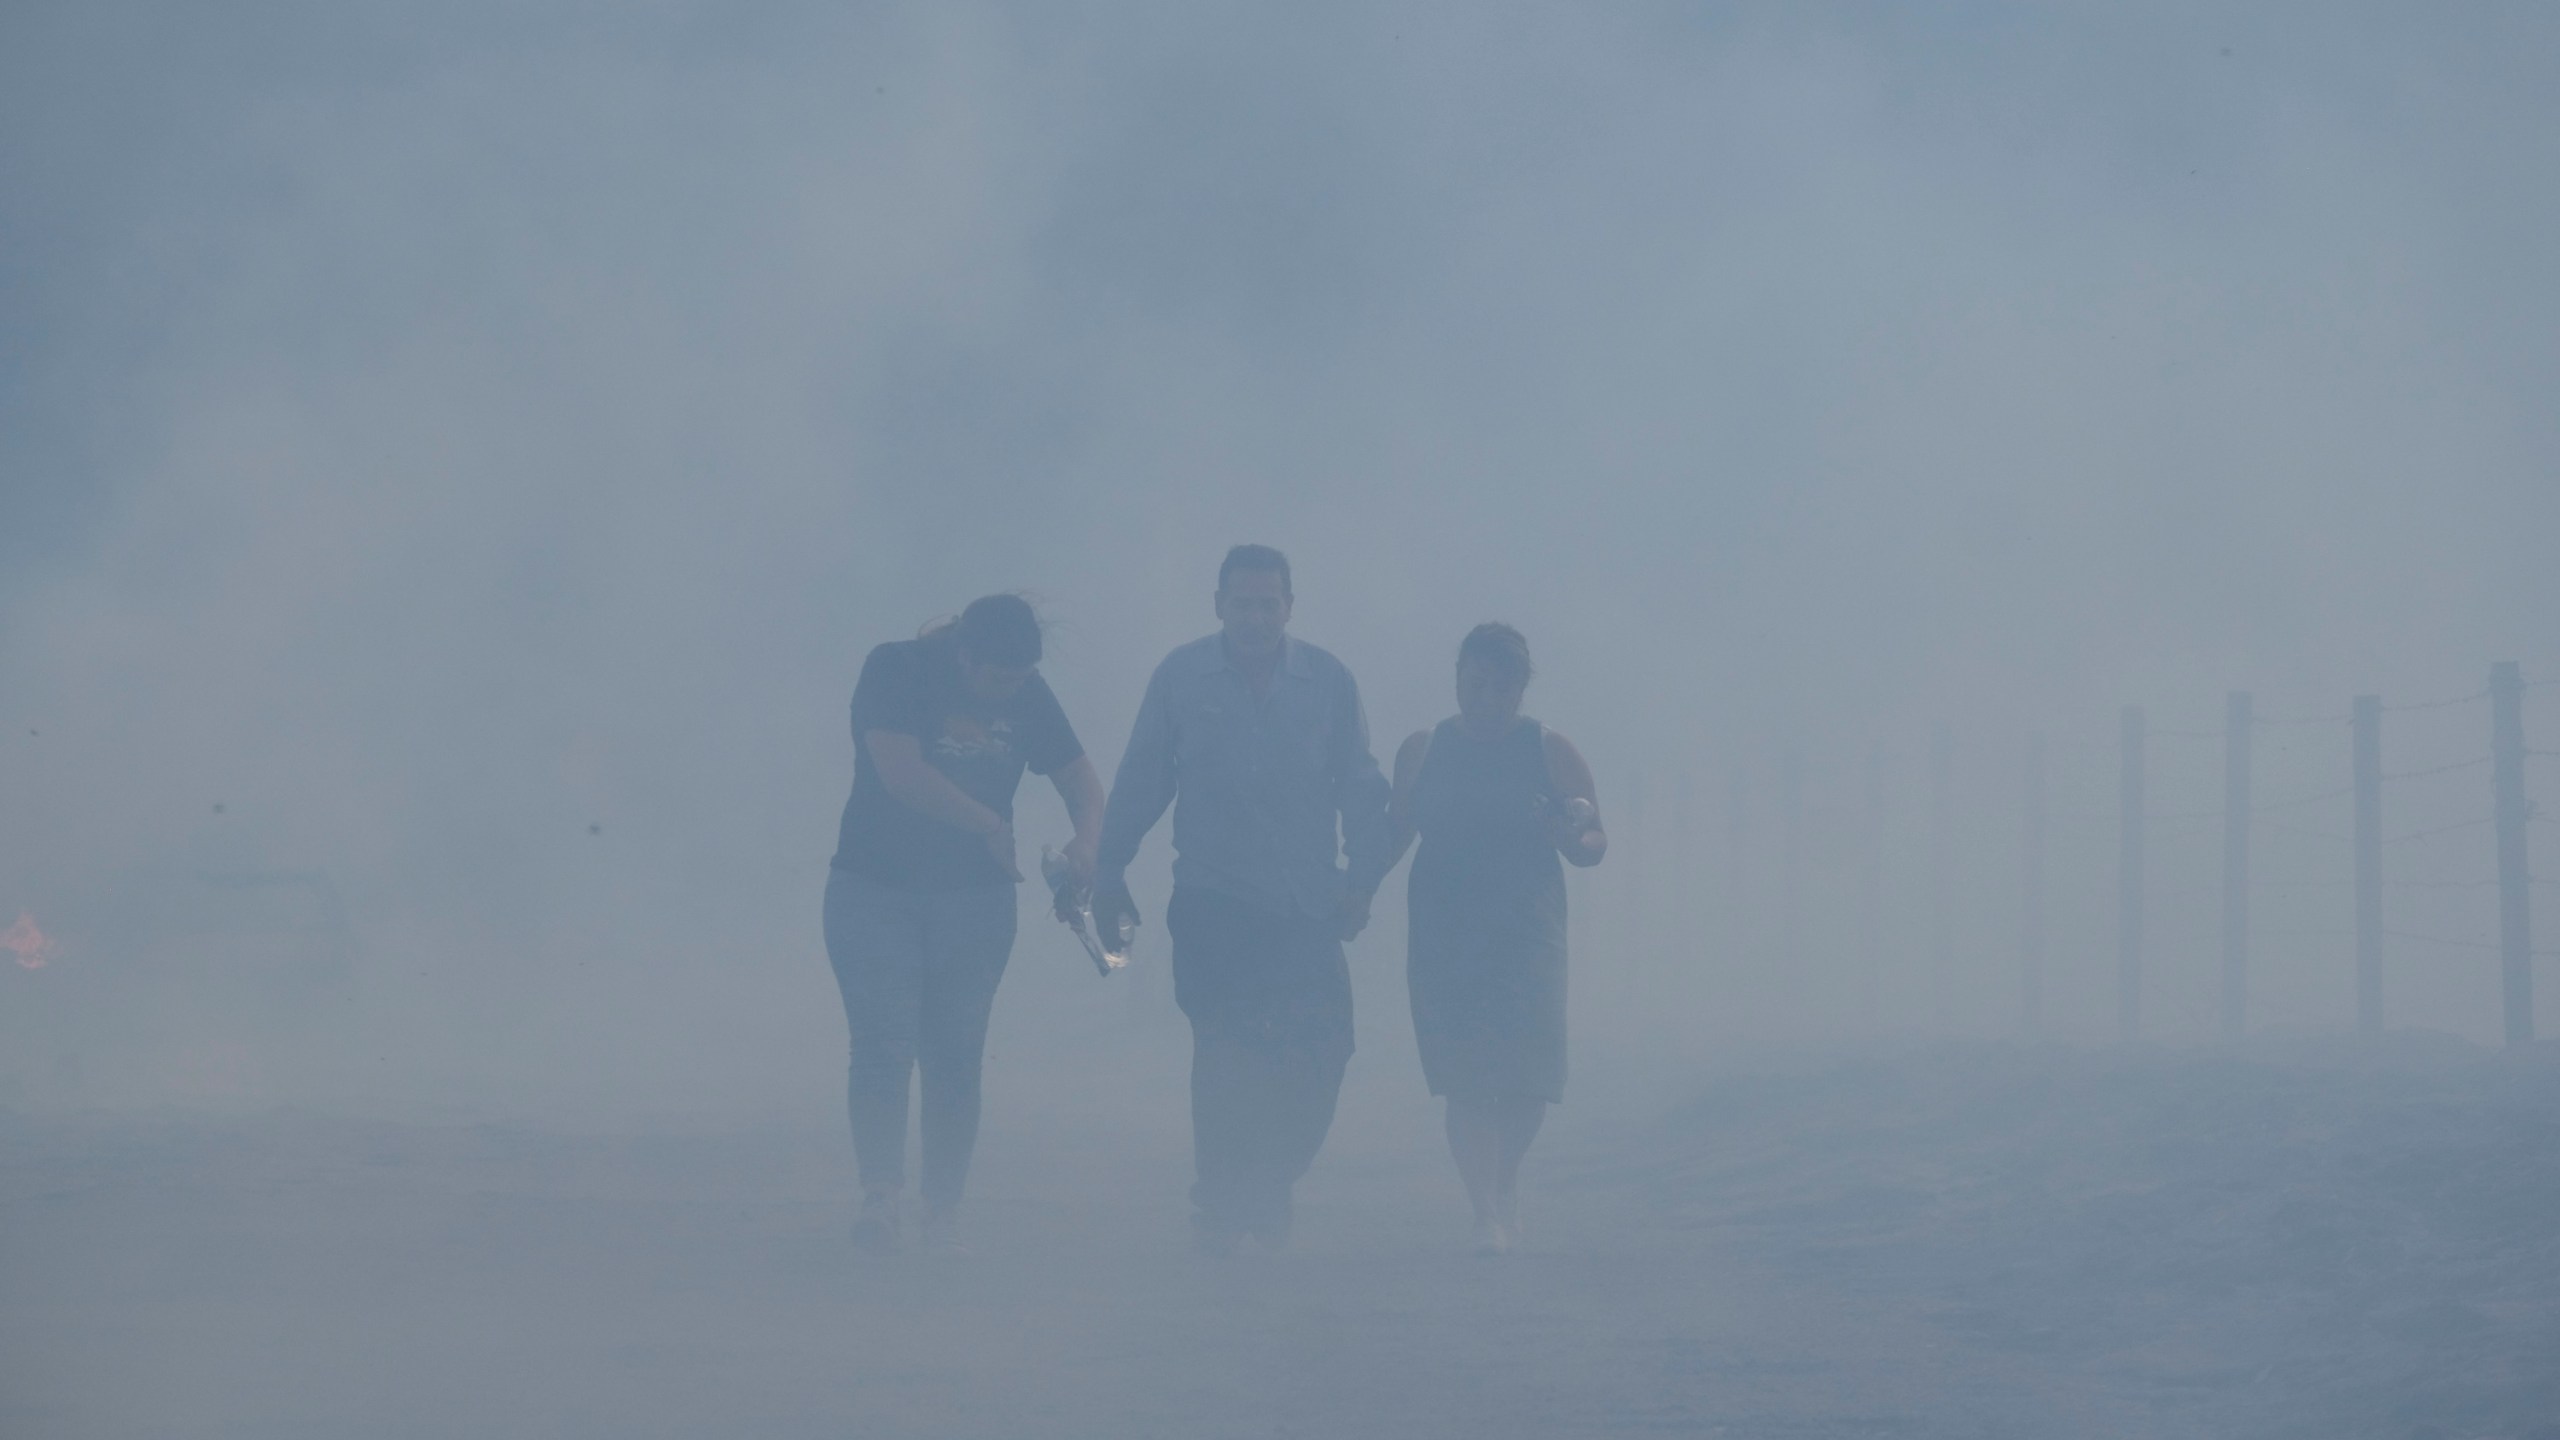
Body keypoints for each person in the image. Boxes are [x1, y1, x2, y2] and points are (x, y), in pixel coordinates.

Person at [1093, 545, 1393, 1254]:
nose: (1255, 617)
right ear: (1219, 605)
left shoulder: (1327, 680)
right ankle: (1225, 1202)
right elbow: (1143, 778)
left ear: (1290, 606)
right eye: (1242, 603)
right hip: (1213, 902)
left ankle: (1268, 1180)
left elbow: (1359, 782)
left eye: (1268, 603)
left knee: (1325, 1048)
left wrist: (1365, 878)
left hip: (1303, 905)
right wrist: (1109, 865)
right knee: (1228, 1055)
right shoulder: (1182, 677)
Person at [823, 594, 1105, 1255]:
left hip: (975, 904)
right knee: (884, 1046)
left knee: (955, 1057)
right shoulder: (896, 669)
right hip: (874, 888)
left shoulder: (1029, 690)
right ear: (964, 655)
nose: (1011, 691)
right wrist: (988, 824)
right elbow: (900, 773)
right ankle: (881, 1197)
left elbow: (1082, 784)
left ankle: (942, 1208)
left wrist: (1087, 841)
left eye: (1022, 679)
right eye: (1000, 680)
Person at [1382, 623, 1605, 1254]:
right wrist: (1353, 892)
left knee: (1528, 1079)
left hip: (1527, 934)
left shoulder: (1550, 750)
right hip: (1444, 935)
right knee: (1468, 1077)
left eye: (1502, 686)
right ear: (1457, 678)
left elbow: (1595, 840)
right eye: (1476, 682)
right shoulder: (1423, 750)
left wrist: (1570, 836)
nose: (1486, 697)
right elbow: (1396, 833)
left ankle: (1504, 1183)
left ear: (1521, 689)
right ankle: (1485, 1213)